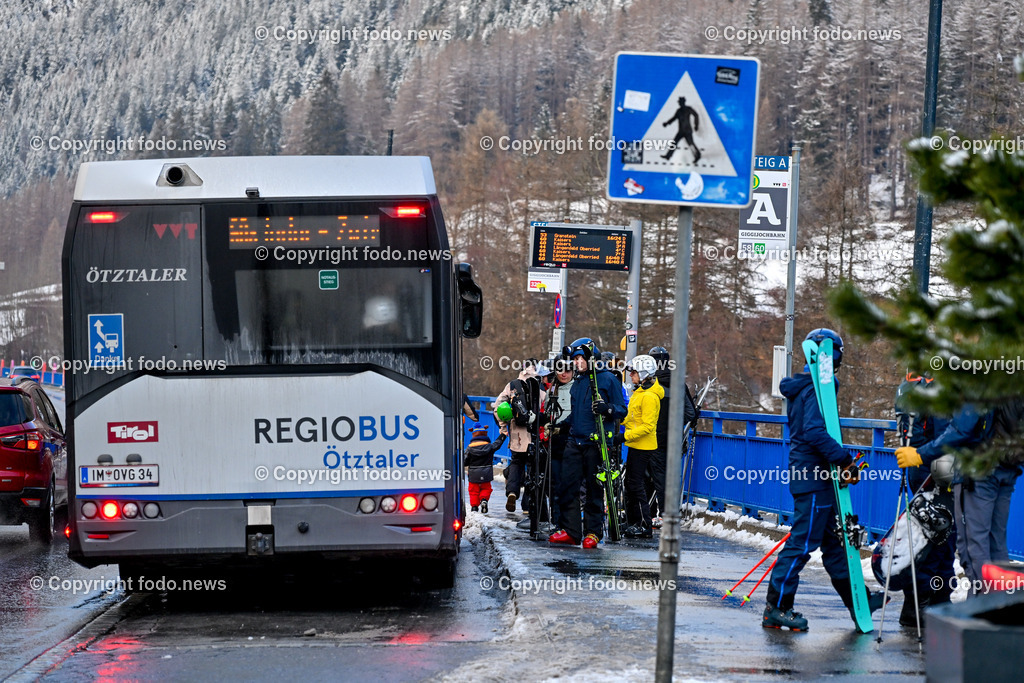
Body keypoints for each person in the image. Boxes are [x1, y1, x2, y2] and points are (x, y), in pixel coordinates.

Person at [764, 328, 885, 631]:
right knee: (802, 543)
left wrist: (840, 461)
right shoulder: (813, 389)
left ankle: (858, 599)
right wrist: (844, 460)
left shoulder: (808, 386)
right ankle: (777, 607)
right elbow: (815, 432)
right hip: (813, 478)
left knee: (835, 546)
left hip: (818, 477)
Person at [896, 397, 1024, 597]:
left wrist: (920, 454)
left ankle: (982, 607)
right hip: (1007, 467)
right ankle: (1000, 604)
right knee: (996, 545)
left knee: (973, 545)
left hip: (977, 472)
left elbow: (961, 430)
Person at [548, 338, 627, 549]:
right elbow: (576, 413)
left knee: (594, 489)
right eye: (575, 359)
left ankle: (593, 532)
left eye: (581, 358)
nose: (577, 362)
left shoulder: (608, 379)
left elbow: (622, 410)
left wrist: (607, 409)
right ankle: (571, 531)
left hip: (597, 442)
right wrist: (560, 425)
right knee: (567, 486)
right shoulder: (578, 382)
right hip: (575, 441)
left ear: (592, 358)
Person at [891, 374, 955, 626]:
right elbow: (945, 436)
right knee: (940, 539)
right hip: (937, 468)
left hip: (917, 465)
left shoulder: (908, 385)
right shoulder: (938, 388)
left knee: (929, 537)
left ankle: (928, 601)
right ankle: (924, 605)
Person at [646, 346, 696, 528]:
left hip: (649, 436)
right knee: (665, 476)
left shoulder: (649, 384)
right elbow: (691, 414)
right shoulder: (678, 383)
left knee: (647, 476)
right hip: (672, 440)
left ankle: (649, 514)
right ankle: (665, 513)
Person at [495, 361, 546, 515]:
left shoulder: (512, 385)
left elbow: (498, 407)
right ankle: (527, 506)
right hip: (535, 434)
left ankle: (512, 491)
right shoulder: (539, 385)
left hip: (517, 434)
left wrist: (503, 428)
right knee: (532, 468)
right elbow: (546, 408)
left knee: (516, 463)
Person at [621, 355, 663, 539]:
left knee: (636, 485)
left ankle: (644, 524)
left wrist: (624, 436)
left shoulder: (650, 397)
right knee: (630, 484)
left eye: (634, 372)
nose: (631, 375)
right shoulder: (639, 392)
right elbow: (631, 418)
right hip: (635, 444)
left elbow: (647, 427)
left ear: (644, 374)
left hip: (643, 446)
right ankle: (633, 522)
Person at [466, 423, 506, 514]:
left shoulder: (469, 448)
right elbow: (497, 444)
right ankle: (484, 500)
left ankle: (474, 507)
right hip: (486, 473)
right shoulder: (489, 447)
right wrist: (503, 436)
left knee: (473, 491)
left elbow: (464, 461)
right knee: (486, 488)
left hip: (473, 474)